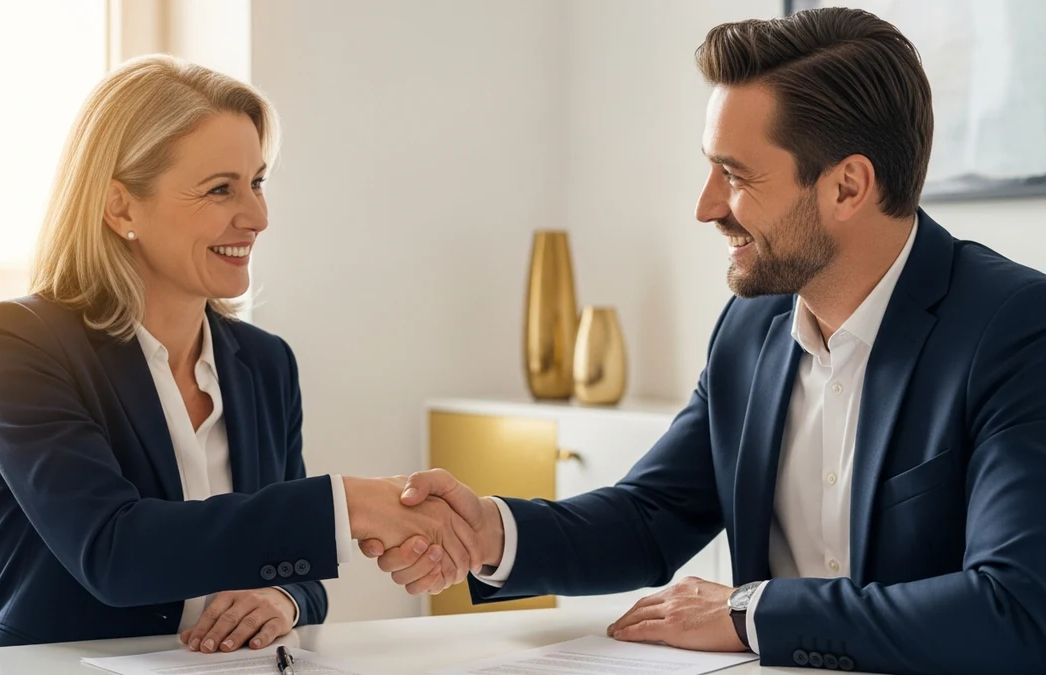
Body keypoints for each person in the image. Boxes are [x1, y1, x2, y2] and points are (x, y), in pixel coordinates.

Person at [364, 8, 1046, 674]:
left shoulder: (1013, 328)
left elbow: (1014, 607)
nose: (706, 206)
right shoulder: (750, 330)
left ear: (847, 186)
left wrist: (753, 613)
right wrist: (491, 531)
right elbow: (654, 514)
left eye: (736, 175)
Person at [0, 55, 480, 652]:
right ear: (121, 207)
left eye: (257, 182)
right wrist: (349, 506)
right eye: (221, 190)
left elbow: (303, 574)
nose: (258, 217)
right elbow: (113, 551)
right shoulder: (22, 342)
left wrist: (282, 598)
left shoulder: (265, 363)